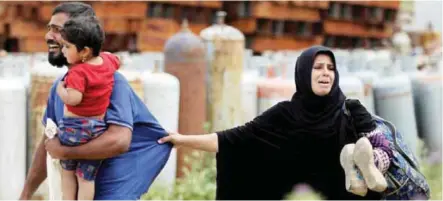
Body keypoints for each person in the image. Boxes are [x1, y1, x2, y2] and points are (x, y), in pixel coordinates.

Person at [158, 46, 395, 200]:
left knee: (376, 148)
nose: (326, 73)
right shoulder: (284, 115)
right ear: (303, 72)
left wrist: (375, 156)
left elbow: (383, 143)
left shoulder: (351, 109)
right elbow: (232, 140)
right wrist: (182, 139)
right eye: (318, 67)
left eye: (331, 68)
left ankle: (365, 168)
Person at [19, 2, 172, 200]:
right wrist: (25, 195)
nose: (49, 36)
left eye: (58, 30)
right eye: (49, 29)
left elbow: (119, 140)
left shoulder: (112, 82)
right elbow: (48, 142)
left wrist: (65, 152)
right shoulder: (60, 86)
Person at [55, 16, 119, 200]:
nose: (63, 50)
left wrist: (61, 90)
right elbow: (117, 60)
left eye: (67, 46)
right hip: (97, 131)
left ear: (84, 52)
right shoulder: (108, 61)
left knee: (67, 171)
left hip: (74, 130)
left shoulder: (78, 72)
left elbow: (74, 99)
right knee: (85, 178)